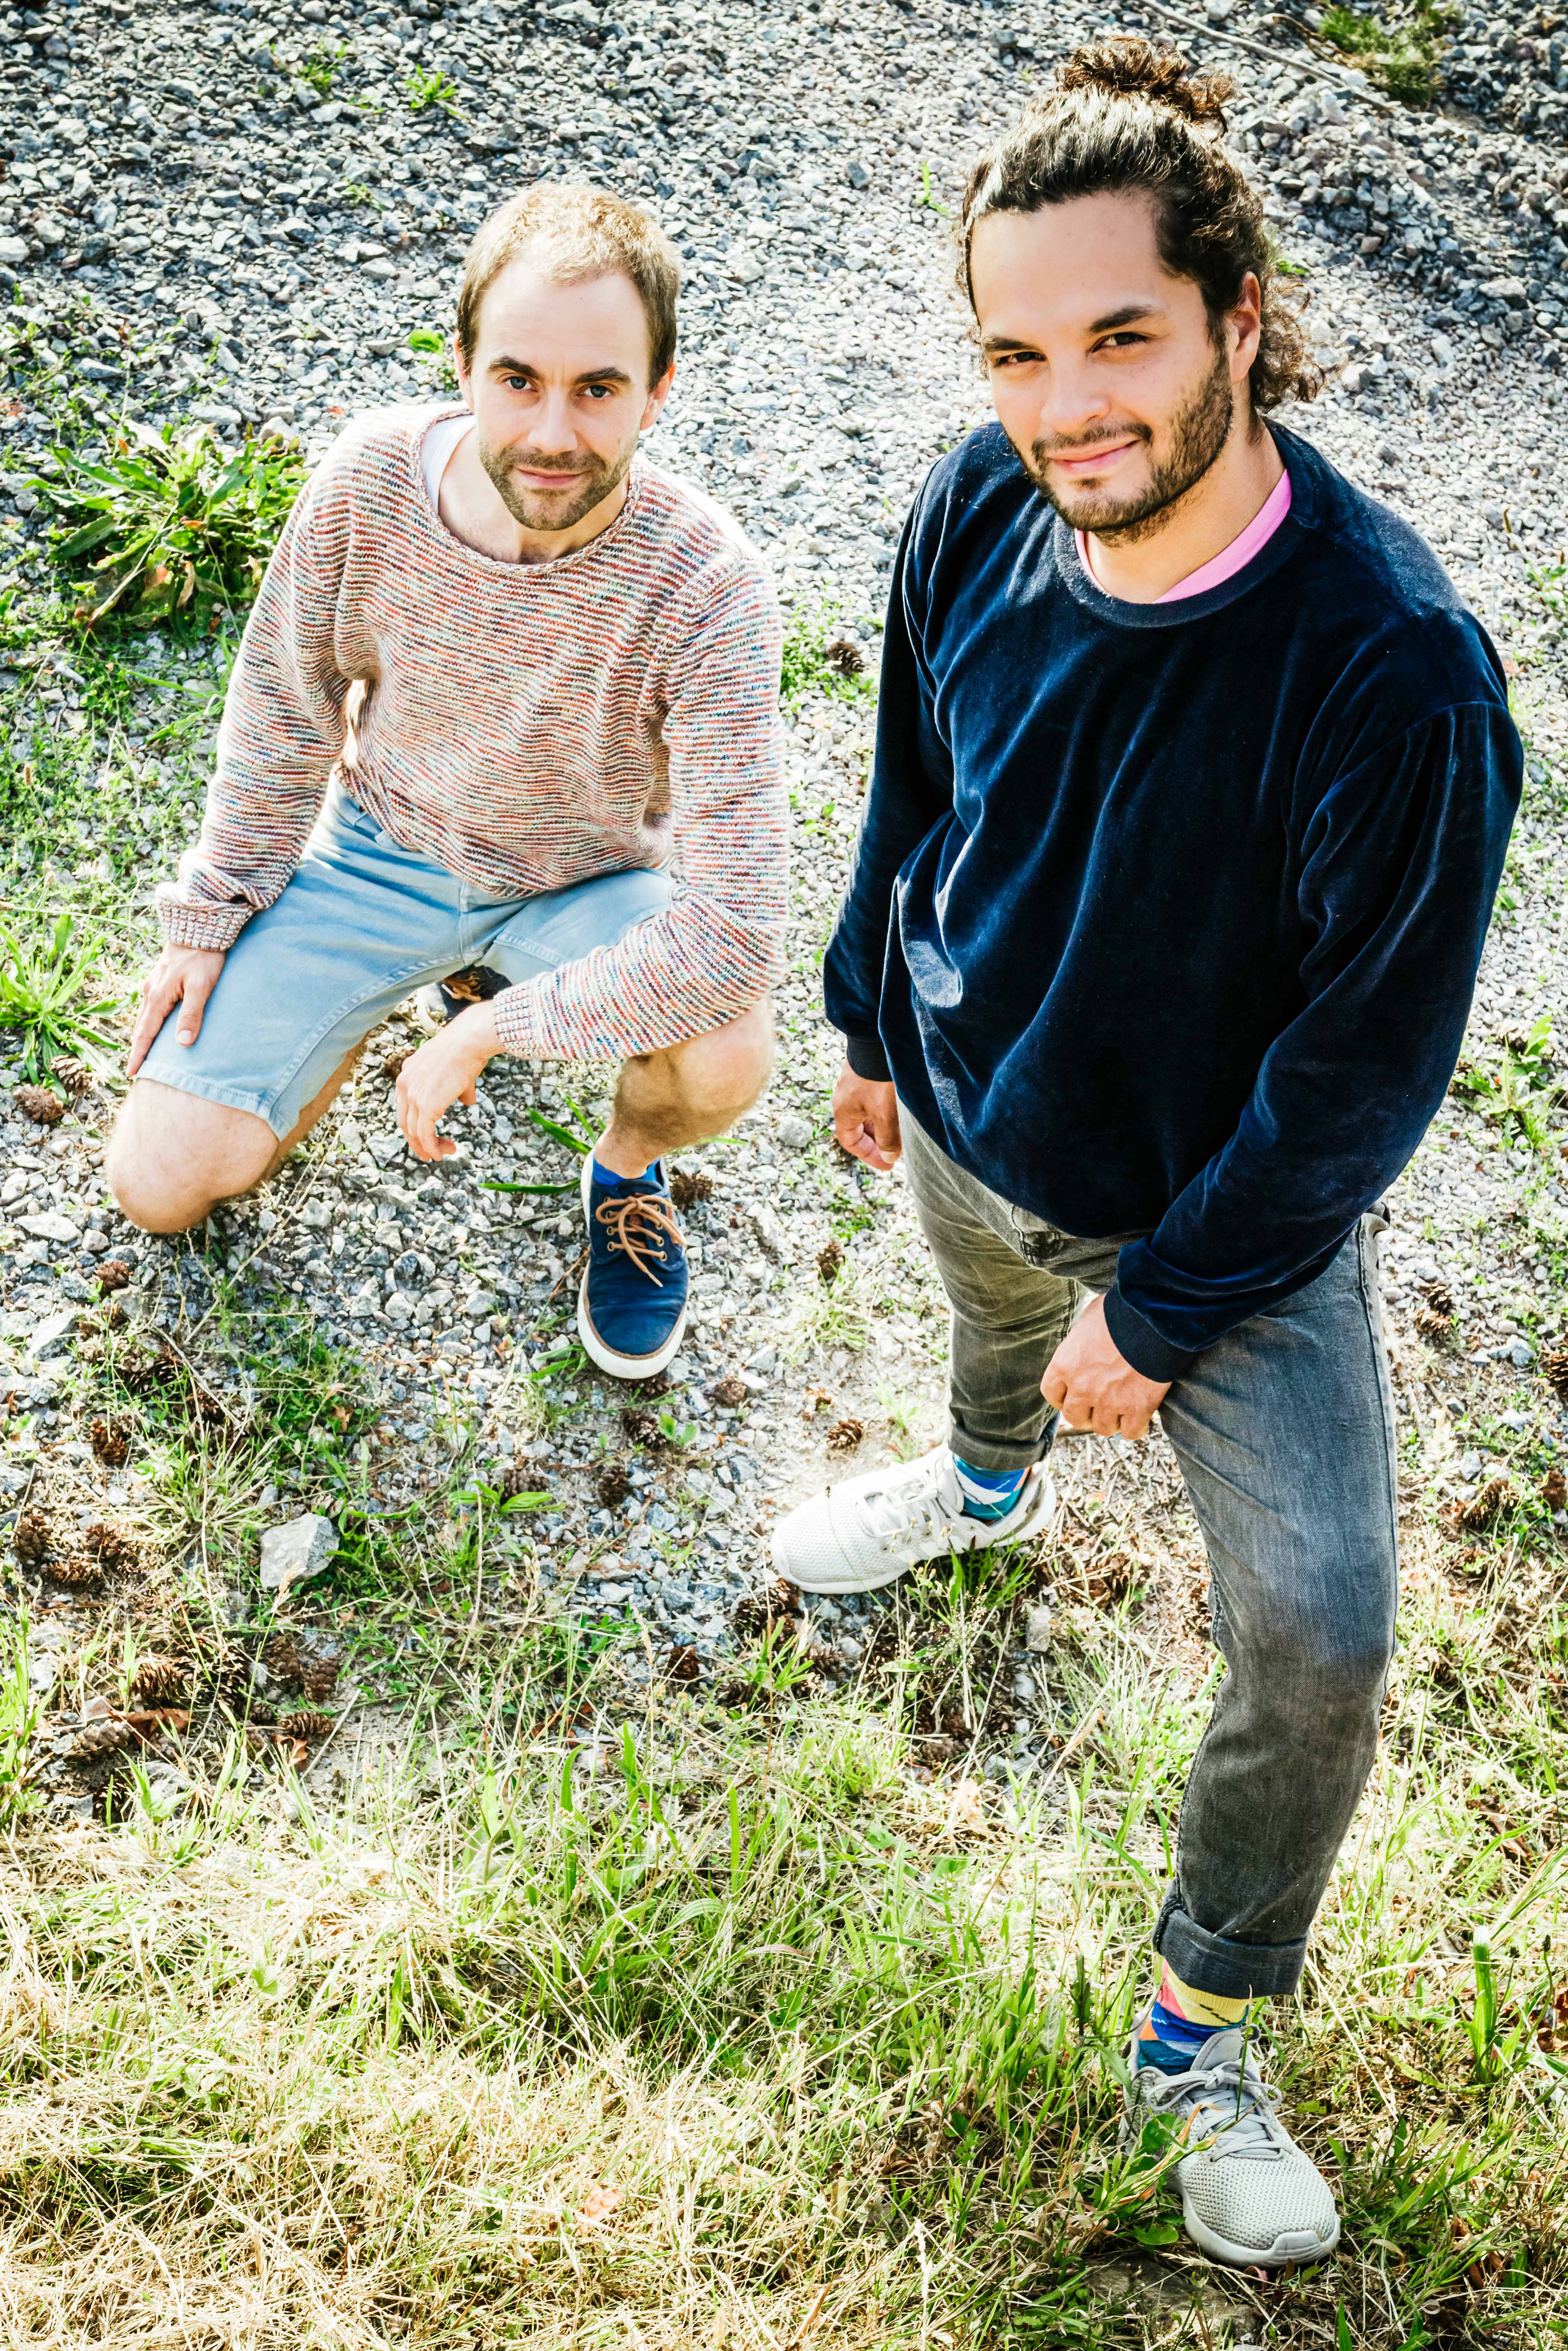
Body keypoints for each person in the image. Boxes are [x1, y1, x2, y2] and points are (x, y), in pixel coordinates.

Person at [773, 40, 1520, 2269]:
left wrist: (1175, 1306)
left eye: (1117, 340)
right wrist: (863, 1006)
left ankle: (1203, 2025)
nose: (1062, 406)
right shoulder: (976, 502)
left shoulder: (1392, 670)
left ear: (1239, 323)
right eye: (1016, 350)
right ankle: (984, 1491)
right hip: (972, 1108)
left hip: (1221, 1233)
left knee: (1318, 1631)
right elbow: (916, 760)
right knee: (983, 1332)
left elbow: (1359, 1072)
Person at [107, 182, 786, 1382]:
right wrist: (215, 911)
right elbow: (285, 697)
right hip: (380, 851)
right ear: (462, 362)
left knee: (724, 1049)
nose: (553, 432)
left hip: (584, 885)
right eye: (518, 379)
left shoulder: (710, 583)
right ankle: (359, 1012)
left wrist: (496, 1032)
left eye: (599, 389)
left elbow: (734, 931)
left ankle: (624, 1174)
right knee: (156, 1184)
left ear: (659, 390)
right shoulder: (369, 481)